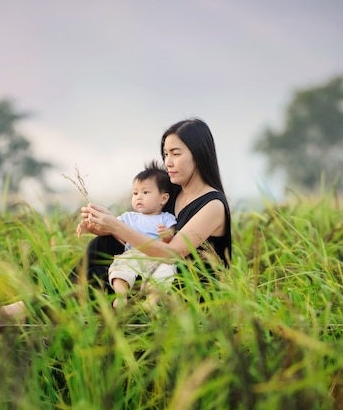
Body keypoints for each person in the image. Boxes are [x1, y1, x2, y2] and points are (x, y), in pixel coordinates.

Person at [76, 117, 232, 292]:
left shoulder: (213, 205)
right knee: (102, 245)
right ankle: (63, 304)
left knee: (96, 277)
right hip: (153, 271)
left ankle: (64, 308)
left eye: (176, 153)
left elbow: (171, 254)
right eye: (166, 154)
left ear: (198, 155)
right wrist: (108, 224)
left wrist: (117, 227)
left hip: (185, 288)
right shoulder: (172, 192)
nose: (168, 162)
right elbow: (146, 236)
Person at [80, 162, 177, 308]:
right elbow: (110, 229)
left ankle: (152, 300)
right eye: (135, 193)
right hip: (132, 255)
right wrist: (93, 229)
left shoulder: (166, 217)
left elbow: (171, 236)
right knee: (119, 269)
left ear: (163, 198)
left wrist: (166, 235)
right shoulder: (129, 217)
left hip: (157, 257)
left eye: (145, 192)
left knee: (165, 273)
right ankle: (121, 296)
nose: (139, 197)